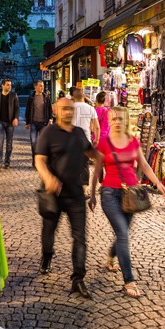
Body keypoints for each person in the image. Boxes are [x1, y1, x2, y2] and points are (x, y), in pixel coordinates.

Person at [89, 106, 165, 298]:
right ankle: (129, 280)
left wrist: (157, 182)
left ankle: (110, 258)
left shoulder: (133, 142)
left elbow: (144, 164)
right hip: (109, 194)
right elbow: (97, 170)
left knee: (123, 232)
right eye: (114, 119)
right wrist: (92, 195)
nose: (117, 122)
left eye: (120, 119)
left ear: (126, 121)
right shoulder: (104, 143)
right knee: (123, 233)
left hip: (132, 194)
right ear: (109, 120)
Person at [35, 98, 99, 299]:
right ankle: (46, 257)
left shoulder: (79, 133)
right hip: (53, 195)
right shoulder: (48, 133)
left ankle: (78, 279)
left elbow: (91, 153)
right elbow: (39, 160)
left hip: (76, 196)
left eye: (70, 109)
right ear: (55, 110)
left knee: (80, 238)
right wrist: (48, 178)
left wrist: (103, 159)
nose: (68, 112)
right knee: (49, 233)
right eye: (64, 109)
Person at [0, 79, 20, 169]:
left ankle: (7, 162)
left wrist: (16, 118)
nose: (9, 86)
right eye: (7, 85)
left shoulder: (14, 95)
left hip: (10, 123)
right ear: (2, 86)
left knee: (9, 143)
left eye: (10, 85)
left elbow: (17, 108)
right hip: (0, 122)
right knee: (0, 143)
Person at [25, 80, 53, 167]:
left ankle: (42, 162)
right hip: (33, 123)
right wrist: (27, 122)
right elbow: (28, 110)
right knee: (34, 143)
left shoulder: (46, 97)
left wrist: (51, 119)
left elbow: (49, 109)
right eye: (40, 86)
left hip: (43, 123)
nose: (42, 87)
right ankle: (35, 161)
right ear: (35, 87)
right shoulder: (31, 98)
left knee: (43, 143)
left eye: (43, 86)